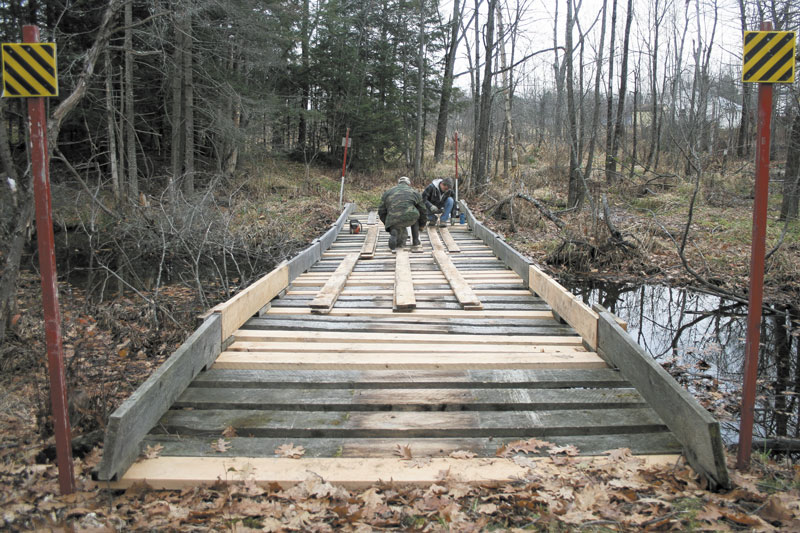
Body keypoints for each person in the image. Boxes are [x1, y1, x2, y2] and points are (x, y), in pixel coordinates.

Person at [378, 176, 427, 252]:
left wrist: (388, 224)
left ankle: (394, 230)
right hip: (410, 218)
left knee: (399, 243)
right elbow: (423, 210)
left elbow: (381, 211)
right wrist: (422, 225)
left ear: (398, 183)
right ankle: (415, 240)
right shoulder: (414, 192)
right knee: (415, 215)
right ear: (409, 184)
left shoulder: (388, 192)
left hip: (393, 218)